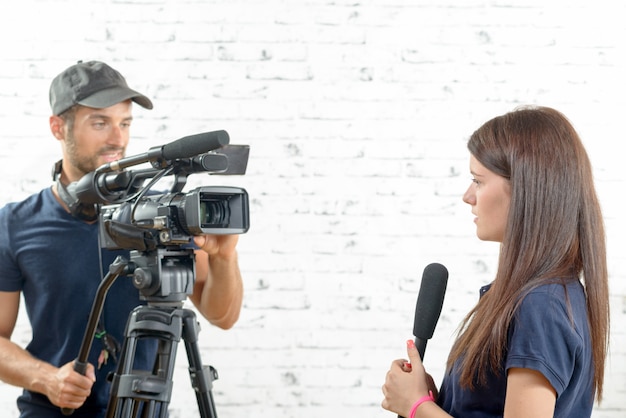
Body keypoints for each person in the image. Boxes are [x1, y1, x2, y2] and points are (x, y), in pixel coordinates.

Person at [0, 60, 244, 417]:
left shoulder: (162, 213)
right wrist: (47, 378)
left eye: (124, 123)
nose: (118, 138)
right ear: (58, 127)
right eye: (100, 123)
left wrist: (225, 257)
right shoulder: (15, 223)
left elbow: (221, 316)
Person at [382, 106, 609, 418]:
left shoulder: (541, 306)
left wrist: (416, 407)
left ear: (525, 191)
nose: (467, 196)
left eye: (477, 180)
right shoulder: (537, 297)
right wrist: (438, 402)